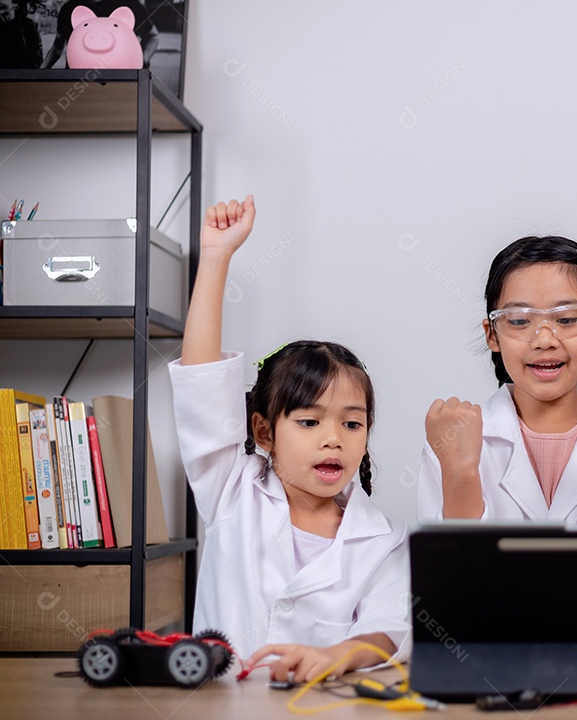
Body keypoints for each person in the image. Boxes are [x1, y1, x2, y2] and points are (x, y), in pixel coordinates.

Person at [169, 196, 410, 682]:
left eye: (351, 423)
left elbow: (388, 629)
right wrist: (215, 259)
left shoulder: (382, 540)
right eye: (309, 422)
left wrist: (338, 655)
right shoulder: (232, 492)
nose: (333, 440)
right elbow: (202, 387)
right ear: (263, 431)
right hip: (222, 710)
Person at [417, 235, 577, 524]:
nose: (545, 340)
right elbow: (448, 567)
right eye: (520, 320)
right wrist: (460, 473)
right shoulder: (450, 438)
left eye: (566, 319)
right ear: (492, 334)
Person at [42, 0, 158, 68]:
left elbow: (152, 36)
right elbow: (57, 47)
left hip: (121, 81)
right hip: (76, 79)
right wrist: (40, 72)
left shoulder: (130, 5)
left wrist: (144, 58)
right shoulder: (69, 8)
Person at [0, 0, 42, 69]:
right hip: (1, 76)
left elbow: (36, 61)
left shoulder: (29, 26)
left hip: (24, 76)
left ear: (15, 3)